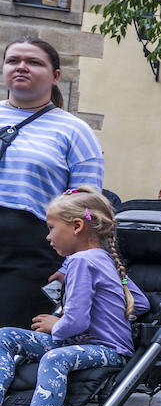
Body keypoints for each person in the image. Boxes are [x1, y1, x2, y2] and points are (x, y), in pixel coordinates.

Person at [0, 187, 147, 406]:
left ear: (77, 226)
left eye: (52, 228)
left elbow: (76, 324)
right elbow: (139, 302)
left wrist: (59, 323)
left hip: (105, 350)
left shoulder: (81, 261)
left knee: (49, 356)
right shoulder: (104, 258)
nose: (48, 236)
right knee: (6, 334)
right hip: (86, 344)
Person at [0, 37, 104, 330]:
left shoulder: (75, 131)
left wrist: (71, 266)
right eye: (13, 61)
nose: (22, 67)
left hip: (30, 256)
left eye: (34, 62)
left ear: (56, 76)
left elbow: (88, 211)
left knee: (7, 339)